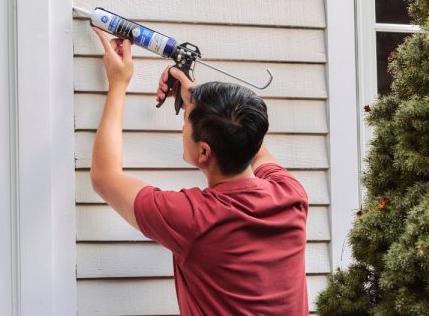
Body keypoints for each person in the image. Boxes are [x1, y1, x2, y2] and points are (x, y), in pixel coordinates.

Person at [89, 27, 309, 315]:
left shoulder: (194, 219)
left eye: (186, 123)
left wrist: (118, 83)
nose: (183, 127)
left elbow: (104, 177)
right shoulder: (290, 194)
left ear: (204, 152)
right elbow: (249, 138)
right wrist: (205, 104)